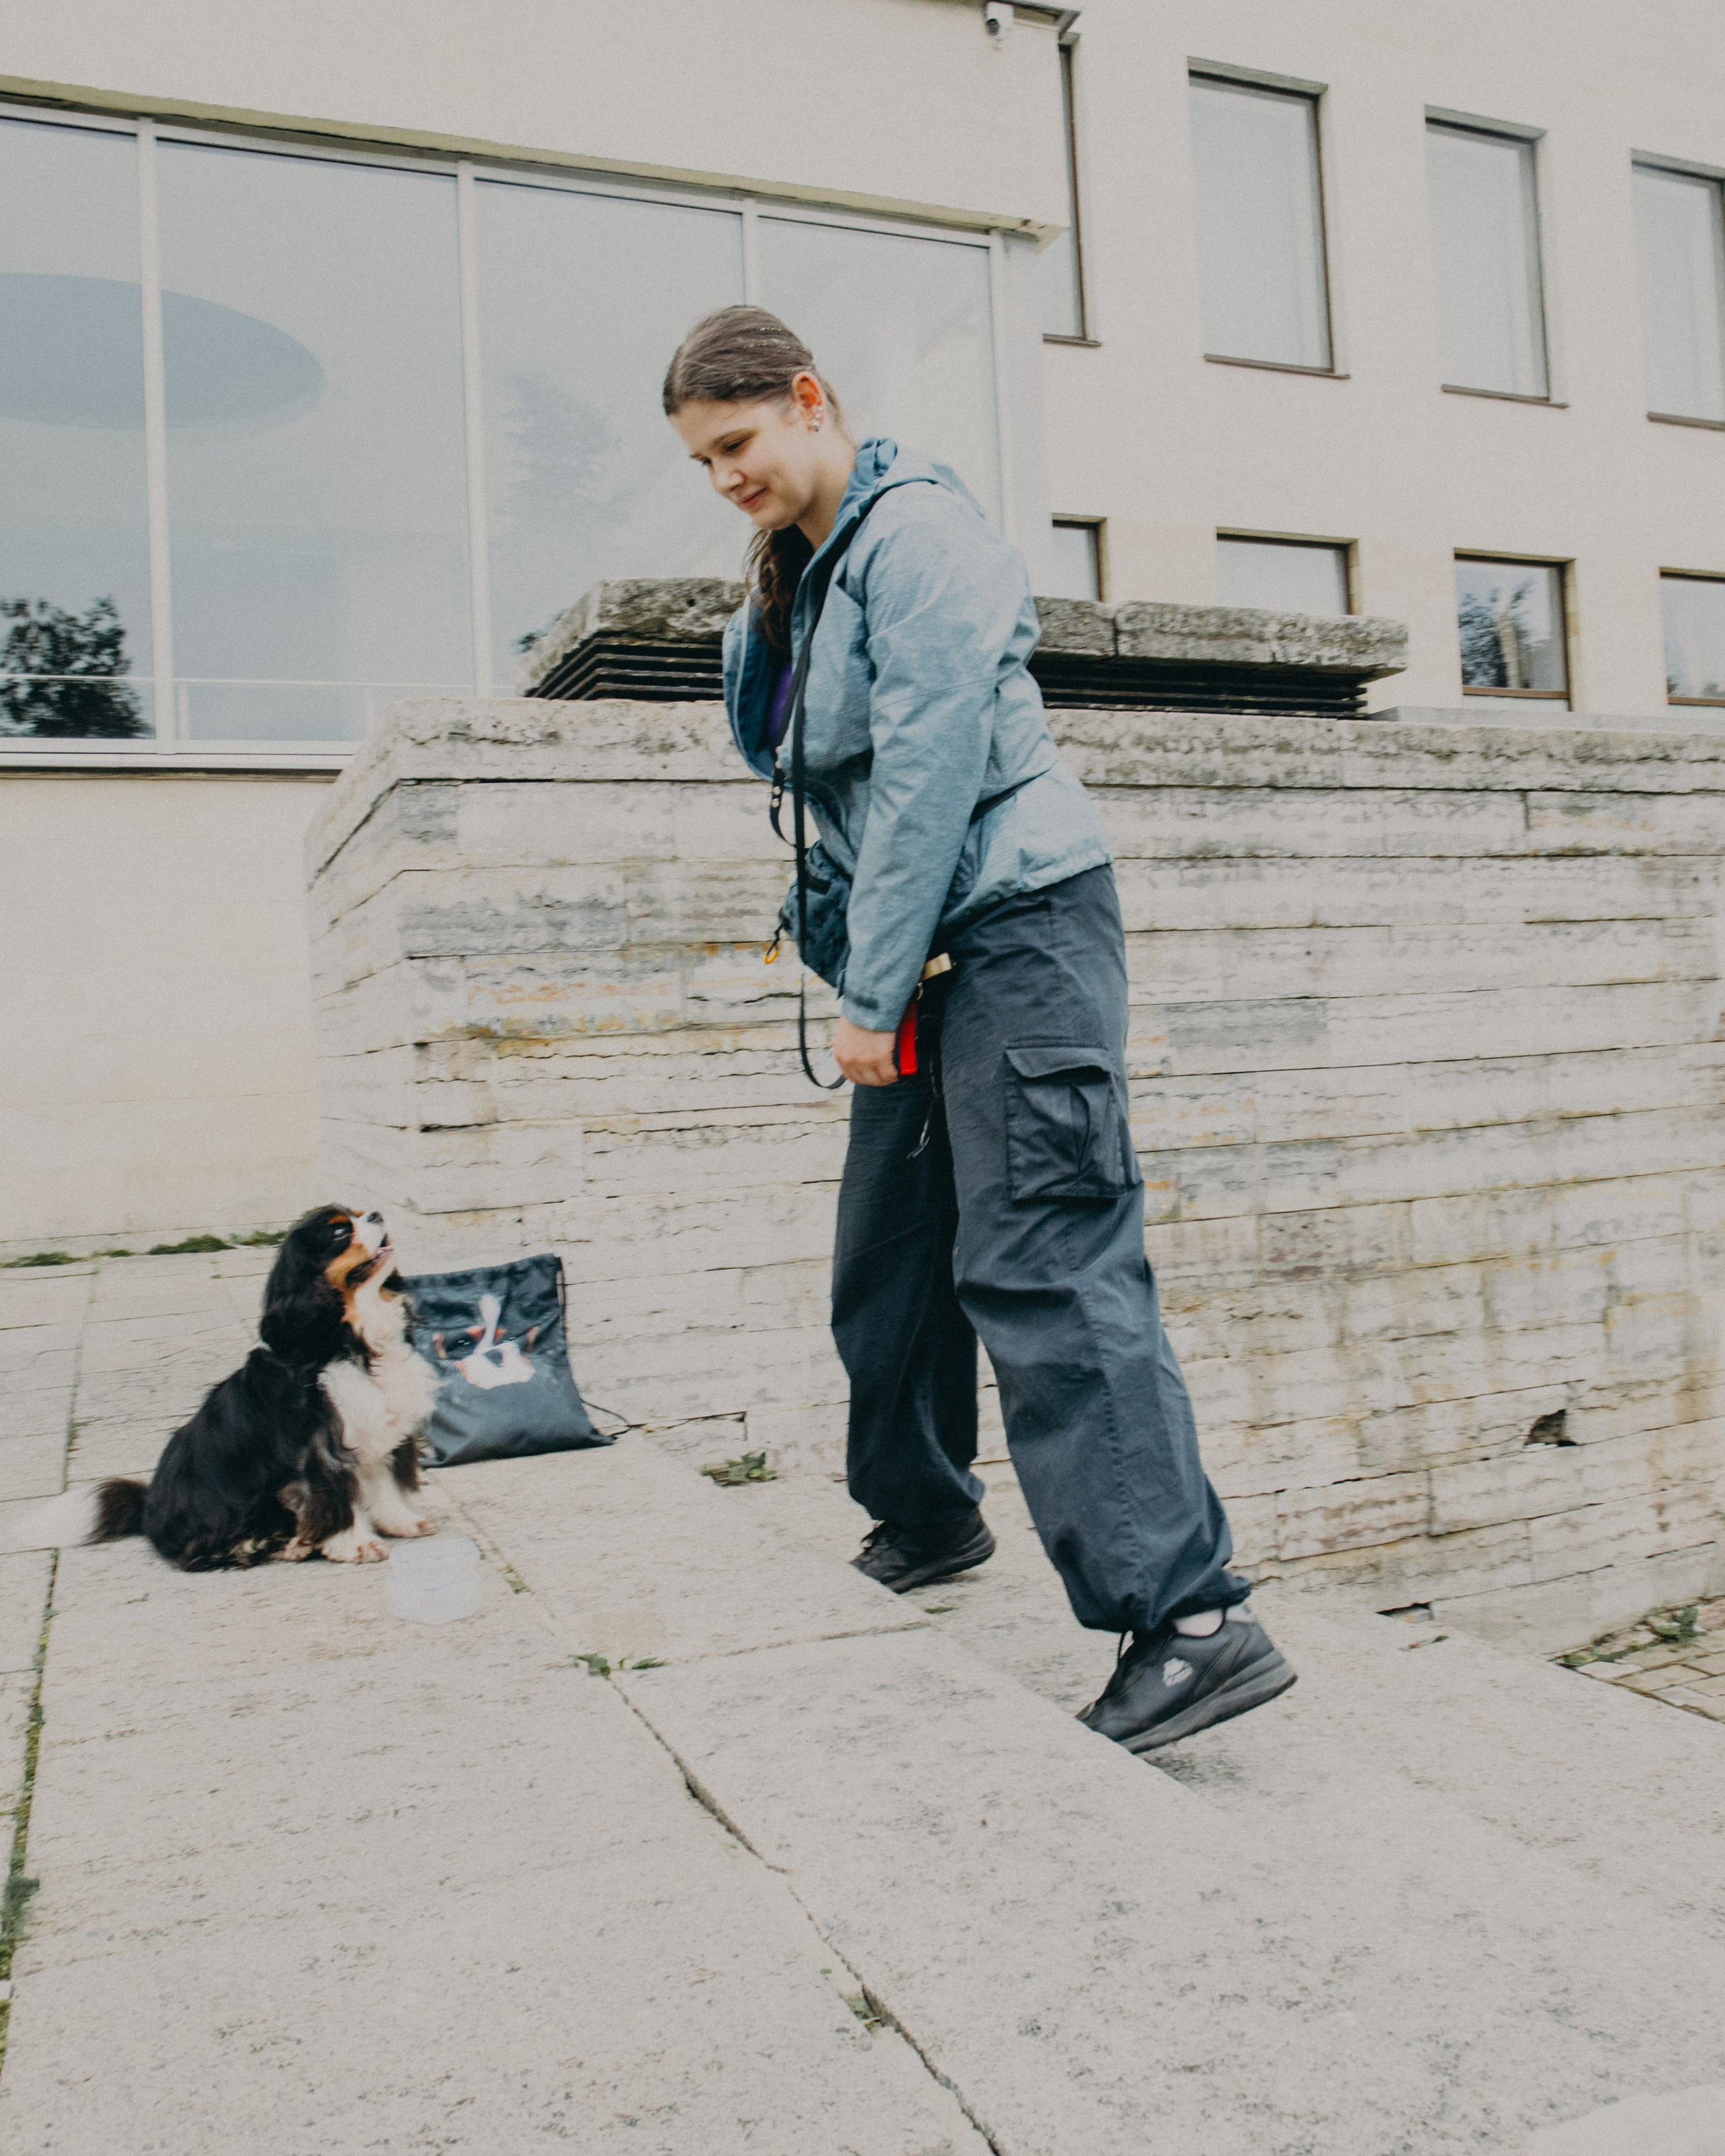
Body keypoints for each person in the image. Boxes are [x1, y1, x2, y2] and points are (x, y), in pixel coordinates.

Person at [663, 306, 1294, 1754]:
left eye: (736, 445)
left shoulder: (921, 540)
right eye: (700, 461)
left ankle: (1187, 1618)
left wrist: (867, 995)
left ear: (809, 401)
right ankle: (929, 1514)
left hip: (1014, 931)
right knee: (885, 1257)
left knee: (1044, 1256)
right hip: (927, 947)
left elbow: (931, 777)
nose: (722, 478)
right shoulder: (815, 573)